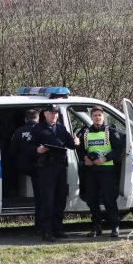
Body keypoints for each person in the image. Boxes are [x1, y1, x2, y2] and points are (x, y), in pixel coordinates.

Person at [31, 104, 80, 242]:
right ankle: (46, 231)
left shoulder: (61, 128)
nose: (54, 115)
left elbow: (70, 144)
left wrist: (76, 142)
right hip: (45, 169)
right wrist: (37, 150)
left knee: (60, 200)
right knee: (47, 201)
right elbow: (28, 147)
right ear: (45, 113)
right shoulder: (38, 129)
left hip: (60, 168)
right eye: (51, 113)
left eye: (56, 113)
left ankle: (58, 229)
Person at [80, 106, 124, 238]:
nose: (97, 117)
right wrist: (85, 158)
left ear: (103, 117)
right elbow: (80, 149)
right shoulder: (86, 132)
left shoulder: (110, 131)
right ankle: (96, 227)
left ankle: (114, 227)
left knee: (109, 199)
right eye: (95, 115)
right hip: (91, 170)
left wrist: (105, 158)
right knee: (92, 200)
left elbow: (118, 149)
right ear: (91, 117)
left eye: (100, 115)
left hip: (106, 169)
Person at [9, 109, 41, 233]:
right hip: (40, 166)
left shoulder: (18, 131)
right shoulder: (42, 130)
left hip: (23, 166)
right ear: (38, 118)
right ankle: (40, 225)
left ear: (25, 119)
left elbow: (12, 151)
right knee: (41, 197)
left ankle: (14, 193)